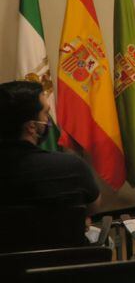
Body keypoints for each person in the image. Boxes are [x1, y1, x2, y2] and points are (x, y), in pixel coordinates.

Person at [0, 80, 101, 211]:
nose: (48, 119)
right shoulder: (71, 167)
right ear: (31, 127)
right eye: (46, 113)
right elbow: (94, 207)